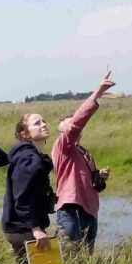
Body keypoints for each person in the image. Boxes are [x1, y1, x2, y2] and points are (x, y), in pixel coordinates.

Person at [1, 112, 62, 264]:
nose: (44, 124)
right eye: (37, 123)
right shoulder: (27, 158)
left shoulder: (30, 156)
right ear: (25, 133)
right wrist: (35, 228)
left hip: (16, 226)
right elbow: (23, 197)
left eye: (44, 120)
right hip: (24, 227)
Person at [52, 71, 115, 252]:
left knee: (87, 256)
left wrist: (98, 175)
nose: (72, 127)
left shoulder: (82, 151)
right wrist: (98, 93)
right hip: (71, 207)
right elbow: (75, 125)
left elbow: (84, 177)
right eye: (68, 125)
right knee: (71, 255)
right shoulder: (63, 146)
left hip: (89, 208)